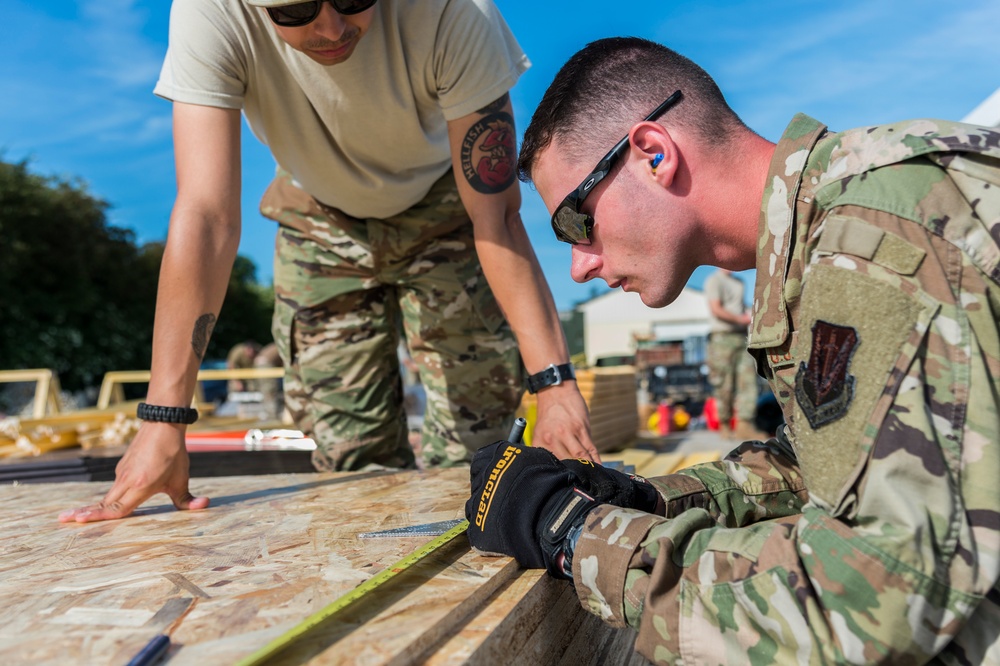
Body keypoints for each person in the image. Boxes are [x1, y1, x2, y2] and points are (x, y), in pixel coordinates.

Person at [466, 36, 1000, 664]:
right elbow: (821, 472)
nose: (579, 266)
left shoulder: (874, 239)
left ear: (653, 154)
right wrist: (640, 499)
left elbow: (876, 600)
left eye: (576, 223)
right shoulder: (829, 232)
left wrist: (572, 532)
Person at [59, 0, 596, 524]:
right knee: (352, 460)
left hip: (447, 208)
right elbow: (206, 216)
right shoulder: (209, 11)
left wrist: (555, 386)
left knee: (478, 453)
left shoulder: (457, 12)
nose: (332, 27)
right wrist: (164, 420)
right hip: (317, 217)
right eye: (294, 12)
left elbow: (498, 217)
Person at [702, 268, 760, 439]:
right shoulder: (715, 280)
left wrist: (749, 316)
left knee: (748, 380)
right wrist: (740, 319)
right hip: (722, 338)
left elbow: (741, 307)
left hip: (741, 337)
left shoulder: (739, 282)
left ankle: (745, 424)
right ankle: (725, 424)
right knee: (724, 383)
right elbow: (716, 309)